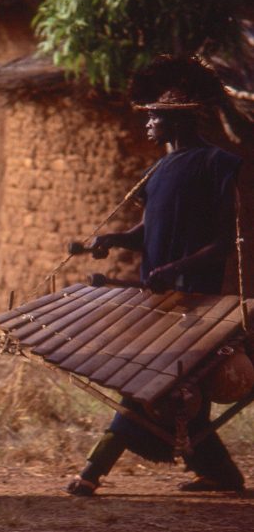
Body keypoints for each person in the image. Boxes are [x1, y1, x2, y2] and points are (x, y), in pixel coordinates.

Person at [67, 56, 244, 496]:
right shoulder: (158, 170)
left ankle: (92, 471)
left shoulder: (217, 163)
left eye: (154, 116)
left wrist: (174, 271)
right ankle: (222, 473)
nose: (147, 123)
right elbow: (146, 233)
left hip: (196, 301)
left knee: (144, 384)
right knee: (178, 395)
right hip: (159, 299)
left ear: (178, 121)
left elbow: (222, 242)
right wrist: (107, 240)